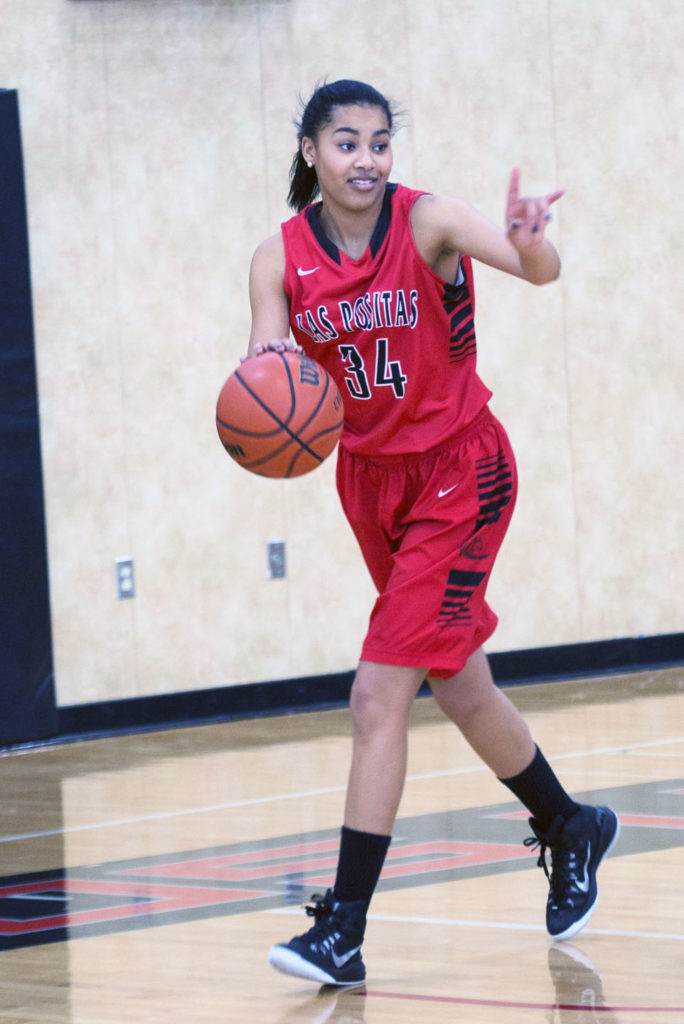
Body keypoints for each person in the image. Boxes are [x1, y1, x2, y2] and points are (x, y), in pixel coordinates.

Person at [246, 79, 619, 987]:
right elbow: (264, 363)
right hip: (371, 485)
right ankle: (570, 823)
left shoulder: (430, 224)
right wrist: (265, 384)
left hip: (463, 468)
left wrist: (531, 239)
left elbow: (541, 271)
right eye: (346, 142)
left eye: (379, 142)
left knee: (379, 697)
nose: (366, 158)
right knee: (457, 684)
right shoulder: (276, 261)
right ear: (310, 153)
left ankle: (343, 928)